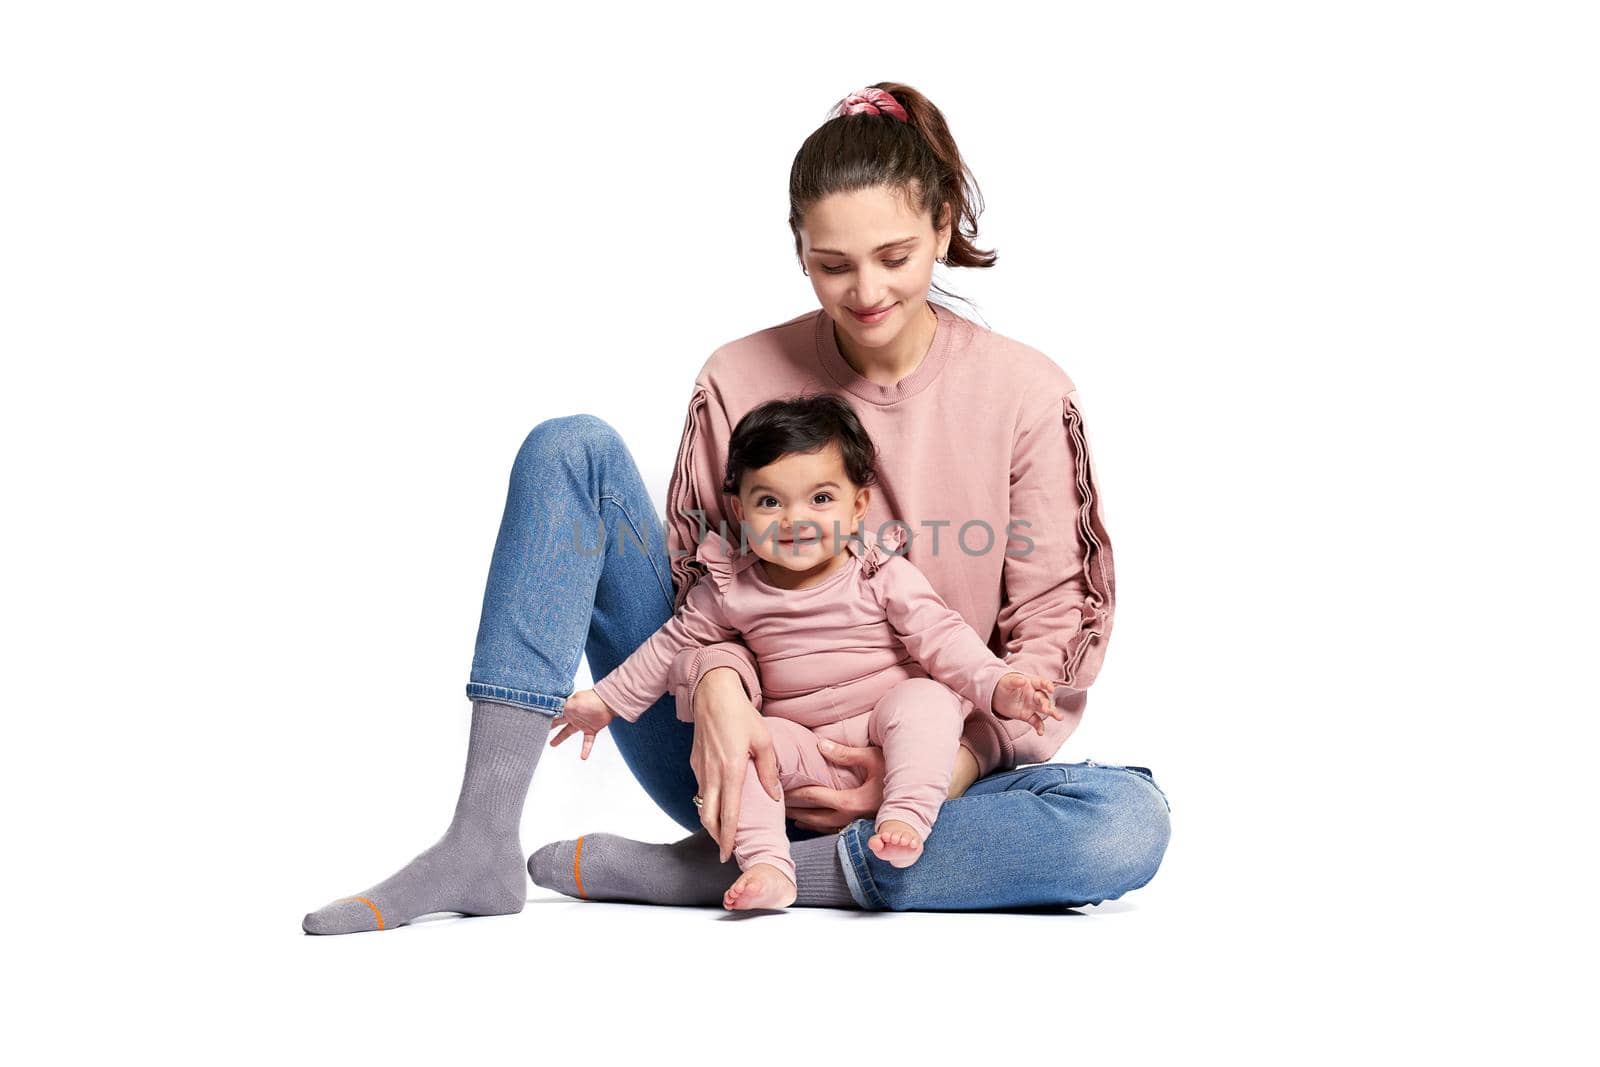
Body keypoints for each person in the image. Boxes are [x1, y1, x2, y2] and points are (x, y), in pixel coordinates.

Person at [302, 81, 1170, 935]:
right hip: (740, 761)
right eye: (833, 264)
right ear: (799, 249)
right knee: (571, 449)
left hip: (926, 776)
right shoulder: (737, 376)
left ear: (943, 225)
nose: (866, 291)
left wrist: (940, 769)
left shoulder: (1024, 393)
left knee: (1126, 823)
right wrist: (720, 690)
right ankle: (480, 839)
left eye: (896, 256)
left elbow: (1051, 638)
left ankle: (724, 875)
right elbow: (701, 594)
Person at [554, 394, 1068, 910]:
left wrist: (1002, 685)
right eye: (770, 502)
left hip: (892, 740)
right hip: (807, 753)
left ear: (857, 506)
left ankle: (906, 816)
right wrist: (604, 702)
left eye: (820, 499)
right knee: (754, 744)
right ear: (740, 509)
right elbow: (671, 647)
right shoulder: (732, 588)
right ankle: (769, 865)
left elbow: (944, 639)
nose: (794, 519)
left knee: (926, 700)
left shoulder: (877, 573)